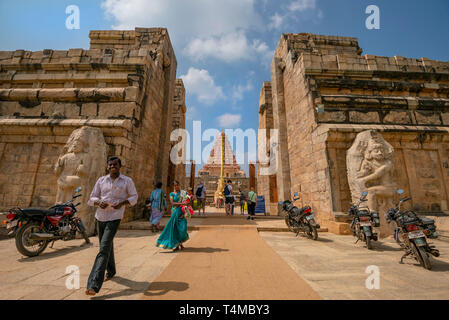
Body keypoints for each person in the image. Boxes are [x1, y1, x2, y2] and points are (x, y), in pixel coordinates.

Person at [85, 156, 138, 296]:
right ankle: (112, 270)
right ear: (107, 167)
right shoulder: (101, 180)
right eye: (110, 165)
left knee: (103, 248)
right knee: (107, 245)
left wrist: (122, 203)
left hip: (115, 217)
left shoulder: (127, 181)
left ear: (120, 166)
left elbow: (134, 197)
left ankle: (93, 285)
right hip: (100, 217)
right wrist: (98, 202)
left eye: (115, 164)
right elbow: (91, 198)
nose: (112, 166)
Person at [156, 181, 189, 252]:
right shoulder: (171, 194)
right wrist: (182, 203)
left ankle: (180, 243)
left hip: (182, 212)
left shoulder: (183, 193)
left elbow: (187, 203)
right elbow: (173, 203)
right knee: (175, 228)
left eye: (177, 185)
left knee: (183, 228)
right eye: (175, 185)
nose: (176, 186)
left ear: (179, 185)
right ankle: (176, 244)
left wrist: (185, 210)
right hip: (175, 212)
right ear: (173, 186)